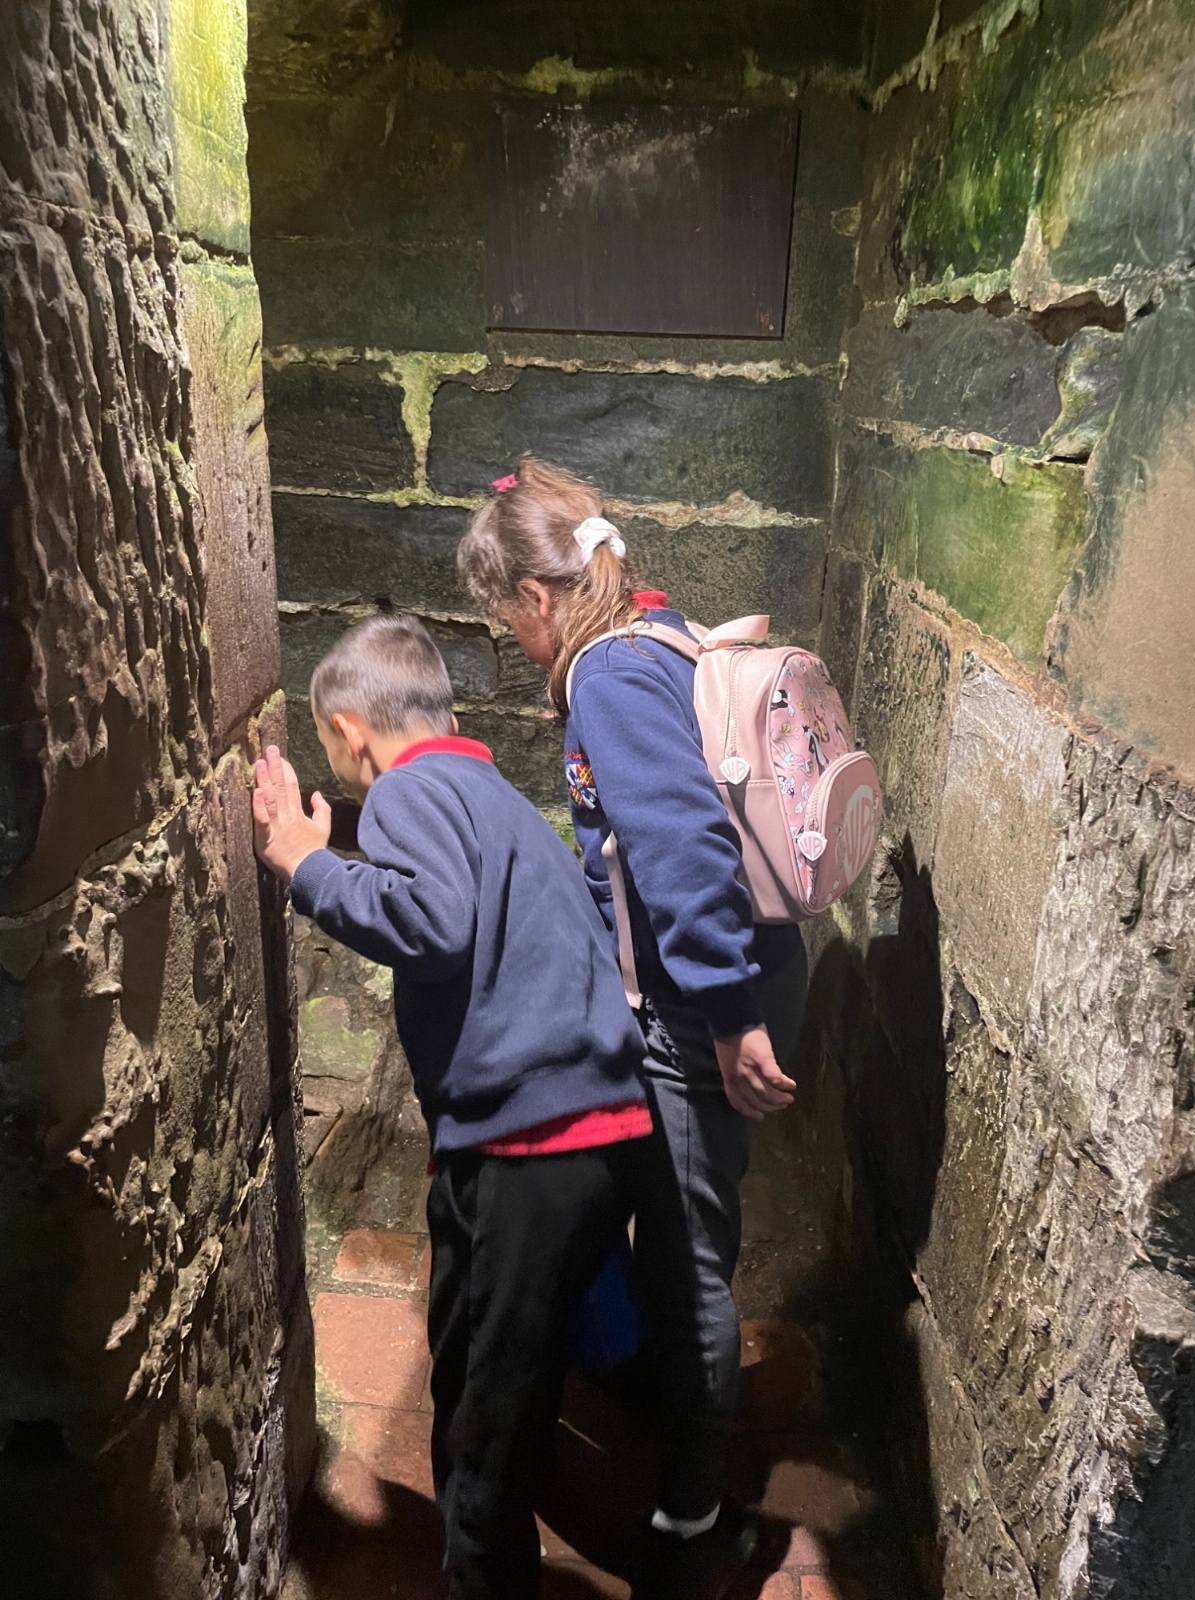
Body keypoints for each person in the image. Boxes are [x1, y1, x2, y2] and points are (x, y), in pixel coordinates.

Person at [458, 458, 809, 1597]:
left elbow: (685, 853)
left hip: (708, 1008)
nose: (514, 642)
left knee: (688, 1263)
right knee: (667, 1233)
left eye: (506, 618)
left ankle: (691, 1515)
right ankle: (656, 1398)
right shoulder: (661, 629)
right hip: (728, 983)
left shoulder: (608, 673)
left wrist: (727, 1018)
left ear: (536, 596)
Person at [251, 613, 653, 1600]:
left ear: (350, 733)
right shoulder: (491, 794)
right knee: (495, 1360)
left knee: (481, 1413)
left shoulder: (408, 790)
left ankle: (490, 1574)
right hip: (583, 1130)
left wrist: (305, 860)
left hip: (536, 1144)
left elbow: (433, 923)